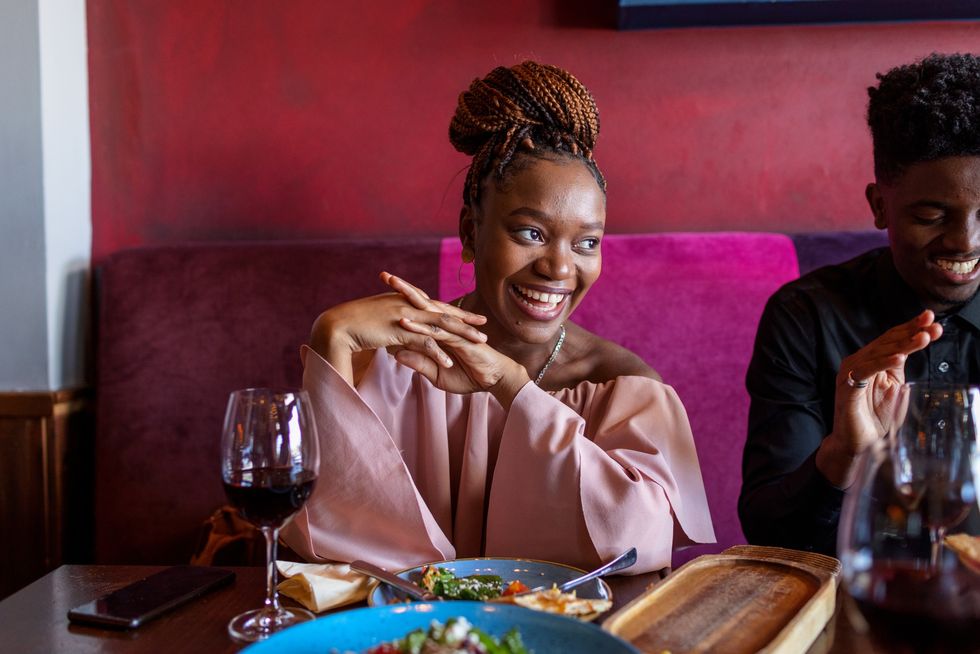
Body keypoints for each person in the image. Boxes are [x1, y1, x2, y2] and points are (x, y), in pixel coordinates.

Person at [282, 61, 715, 574]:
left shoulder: (625, 389)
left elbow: (636, 546)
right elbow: (322, 537)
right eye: (531, 233)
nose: (559, 268)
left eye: (586, 243)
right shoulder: (392, 366)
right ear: (471, 233)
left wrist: (512, 386)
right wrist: (331, 337)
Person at [739, 53, 980, 555]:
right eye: (933, 216)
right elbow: (770, 536)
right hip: (855, 592)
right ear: (879, 206)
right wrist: (844, 453)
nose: (966, 241)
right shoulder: (807, 316)